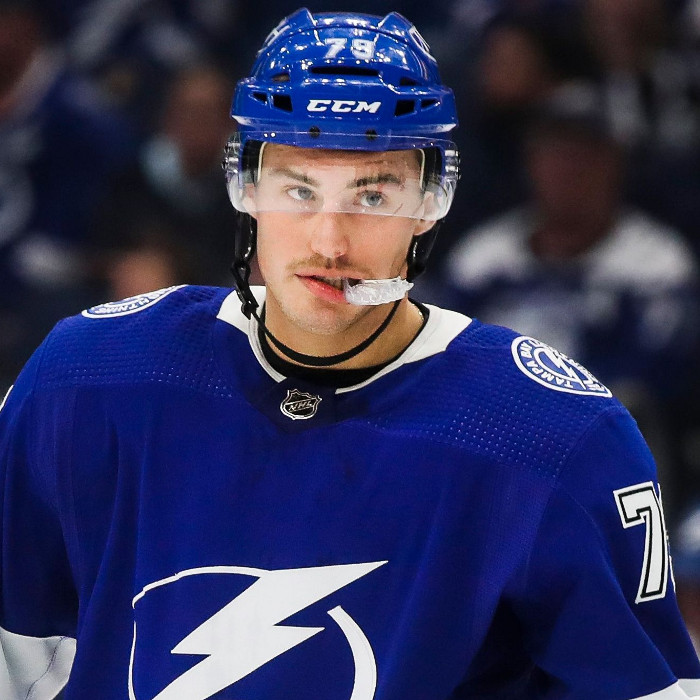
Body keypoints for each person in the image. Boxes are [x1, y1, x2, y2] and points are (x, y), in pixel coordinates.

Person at [0, 8, 699, 700]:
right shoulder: (86, 381)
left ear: (432, 199)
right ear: (246, 187)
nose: (329, 241)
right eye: (299, 189)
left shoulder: (555, 440)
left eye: (372, 194)